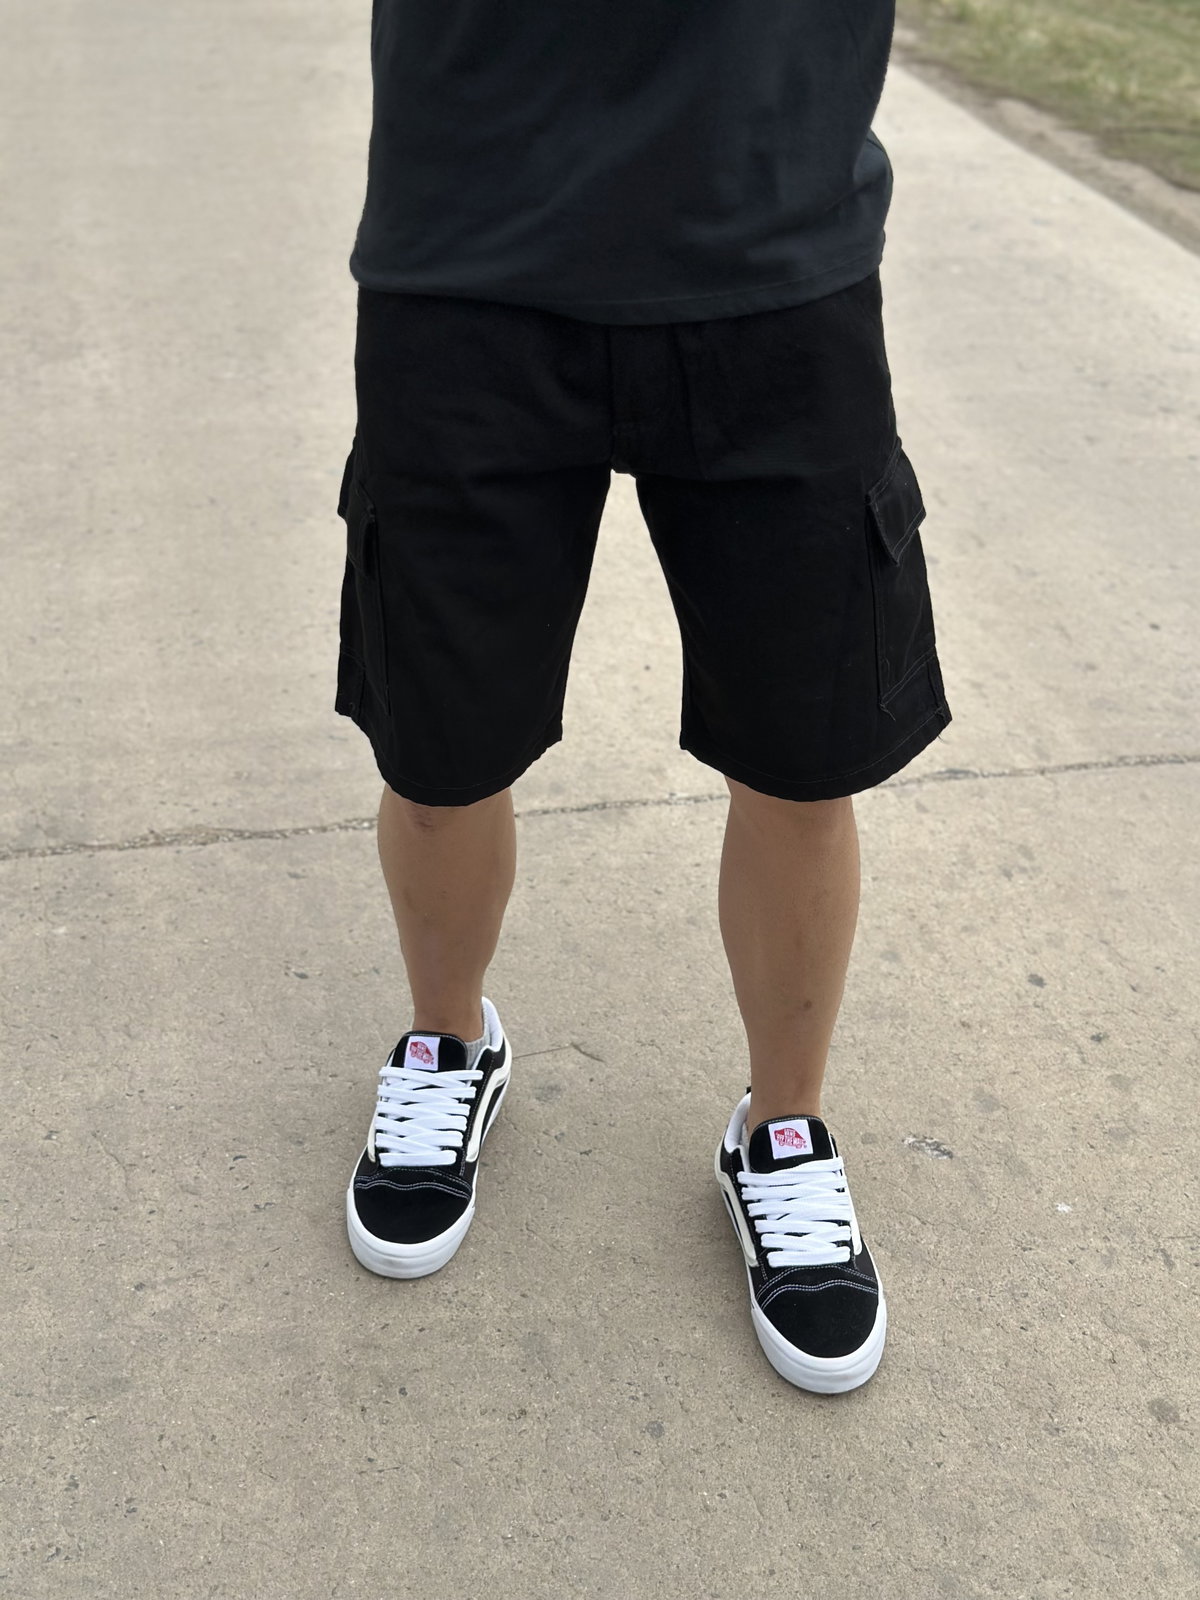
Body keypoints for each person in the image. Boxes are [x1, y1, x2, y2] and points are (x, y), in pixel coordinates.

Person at [336, 0, 950, 1394]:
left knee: (801, 763)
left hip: (771, 241)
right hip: (469, 254)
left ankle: (781, 1129)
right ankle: (448, 1039)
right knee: (438, 752)